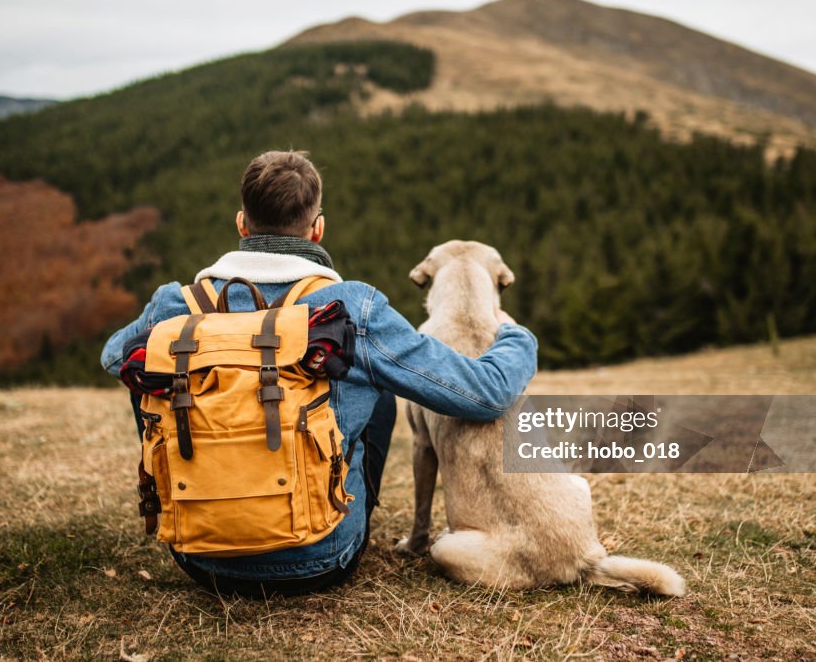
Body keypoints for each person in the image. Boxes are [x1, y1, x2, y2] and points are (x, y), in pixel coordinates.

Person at [101, 150, 538, 598]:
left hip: (200, 556)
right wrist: (516, 335)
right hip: (321, 558)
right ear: (318, 228)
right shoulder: (350, 308)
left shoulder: (176, 305)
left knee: (156, 372)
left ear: (241, 224)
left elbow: (115, 358)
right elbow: (486, 394)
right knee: (380, 390)